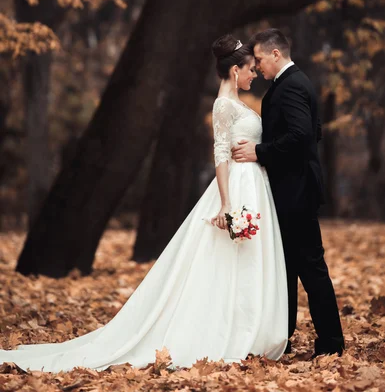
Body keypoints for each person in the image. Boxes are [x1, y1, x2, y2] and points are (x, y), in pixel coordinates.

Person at [0, 34, 287, 373]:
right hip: (237, 186)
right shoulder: (224, 104)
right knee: (233, 258)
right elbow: (220, 155)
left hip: (253, 183)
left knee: (246, 258)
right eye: (251, 69)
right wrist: (226, 203)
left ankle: (250, 328)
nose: (254, 74)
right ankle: (234, 331)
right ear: (235, 70)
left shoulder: (236, 102)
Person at [232, 28, 344, 357]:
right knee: (290, 268)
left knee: (309, 266)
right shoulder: (296, 83)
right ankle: (286, 337)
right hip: (293, 188)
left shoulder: (292, 85)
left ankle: (331, 344)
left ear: (276, 54)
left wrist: (261, 152)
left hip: (296, 192)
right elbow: (314, 132)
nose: (259, 66)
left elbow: (301, 135)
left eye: (261, 59)